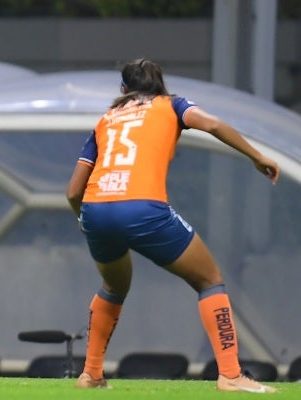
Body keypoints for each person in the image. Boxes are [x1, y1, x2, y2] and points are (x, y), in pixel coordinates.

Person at [66, 58, 279, 393]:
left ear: (123, 89)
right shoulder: (173, 105)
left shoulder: (106, 120)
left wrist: (85, 219)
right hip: (142, 208)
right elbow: (211, 125)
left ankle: (91, 374)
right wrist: (257, 156)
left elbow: (73, 190)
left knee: (114, 286)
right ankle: (231, 375)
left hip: (96, 209)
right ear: (160, 85)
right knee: (209, 280)